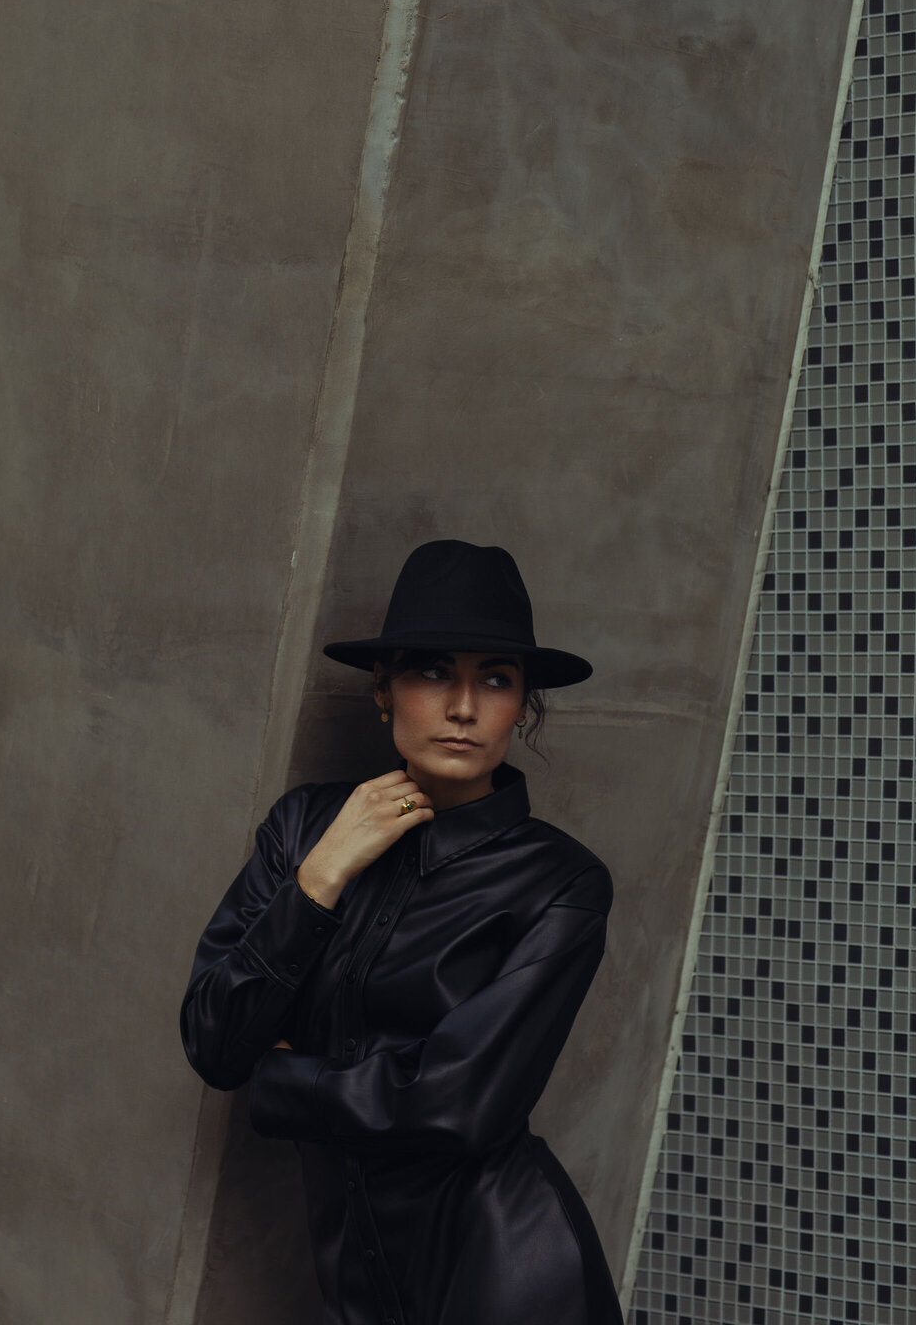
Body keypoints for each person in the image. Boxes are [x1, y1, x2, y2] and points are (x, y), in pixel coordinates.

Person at [180, 539, 623, 1325]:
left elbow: (457, 1106)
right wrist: (319, 881)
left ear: (522, 705)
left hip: (511, 1279)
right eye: (432, 671)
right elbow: (215, 1042)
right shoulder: (305, 830)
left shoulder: (562, 884)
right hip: (358, 1279)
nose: (462, 706)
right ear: (383, 690)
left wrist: (282, 1082)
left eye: (494, 679)